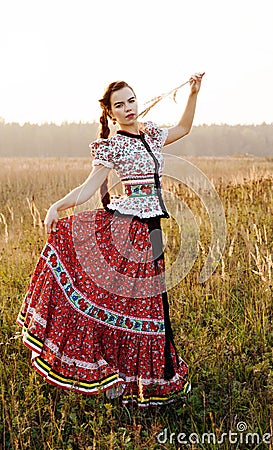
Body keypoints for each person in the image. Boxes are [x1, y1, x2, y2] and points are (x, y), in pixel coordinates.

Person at [17, 73, 204, 408]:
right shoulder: (113, 145)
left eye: (131, 100)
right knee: (130, 304)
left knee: (150, 307)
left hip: (154, 227)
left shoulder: (153, 134)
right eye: (120, 105)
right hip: (128, 230)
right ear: (110, 112)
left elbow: (184, 128)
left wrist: (193, 93)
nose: (128, 108)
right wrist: (57, 206)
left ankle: (150, 378)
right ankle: (117, 377)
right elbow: (89, 189)